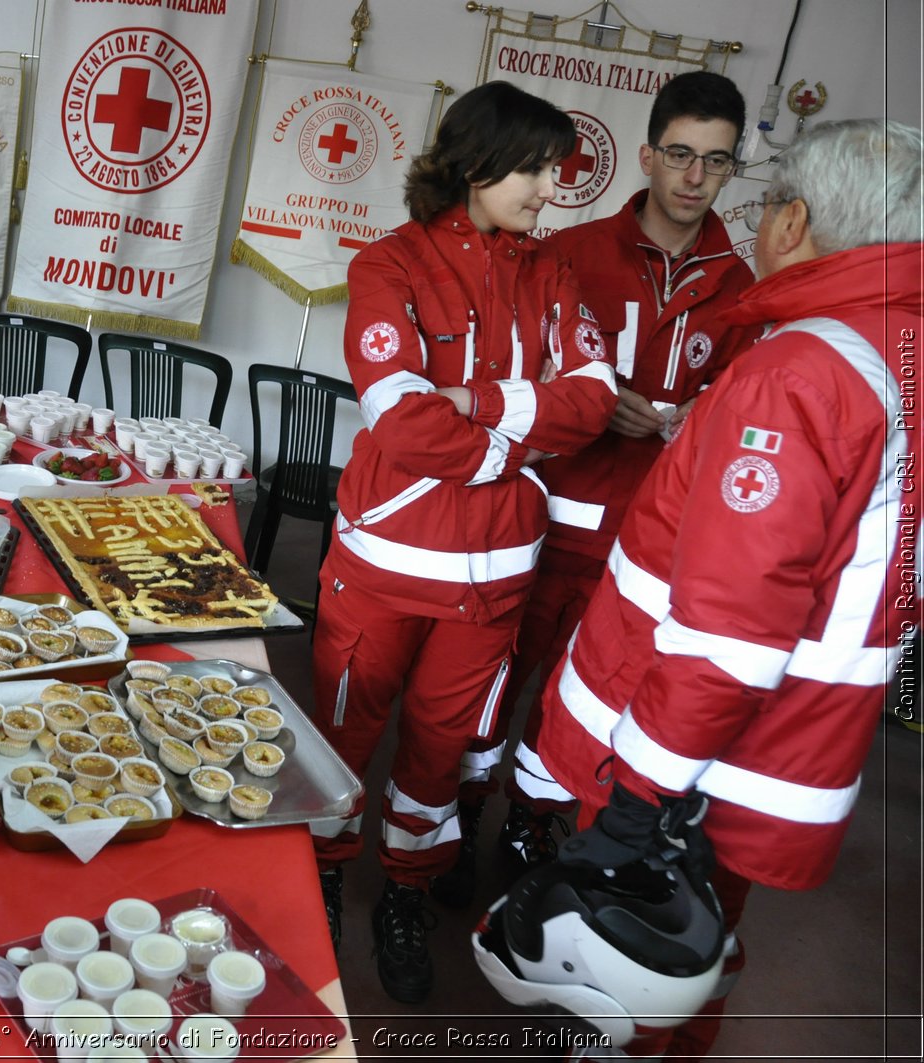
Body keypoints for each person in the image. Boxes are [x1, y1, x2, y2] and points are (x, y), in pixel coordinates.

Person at [528, 118, 922, 1057]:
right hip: (789, 740)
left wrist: (638, 801)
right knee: (692, 960)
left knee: (626, 973)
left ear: (792, 220)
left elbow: (731, 629)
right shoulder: (899, 348)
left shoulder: (801, 371)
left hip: (689, 763)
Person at [310, 80, 617, 1003]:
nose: (545, 188)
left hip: (496, 582)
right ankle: (316, 872)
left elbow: (595, 402)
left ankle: (404, 889)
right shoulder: (391, 264)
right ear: (473, 162)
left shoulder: (552, 272)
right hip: (385, 566)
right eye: (530, 167)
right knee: (341, 734)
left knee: (440, 754)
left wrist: (480, 406)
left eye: (552, 170)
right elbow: (401, 423)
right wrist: (516, 445)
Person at [435, 72, 761, 907]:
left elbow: (748, 402)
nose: (694, 178)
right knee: (492, 677)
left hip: (647, 546)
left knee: (587, 701)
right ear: (648, 155)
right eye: (681, 155)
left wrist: (704, 412)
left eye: (716, 162)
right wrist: (578, 392)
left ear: (733, 170)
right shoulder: (567, 251)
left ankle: (532, 819)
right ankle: (459, 816)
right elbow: (507, 367)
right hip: (542, 519)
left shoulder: (739, 285)